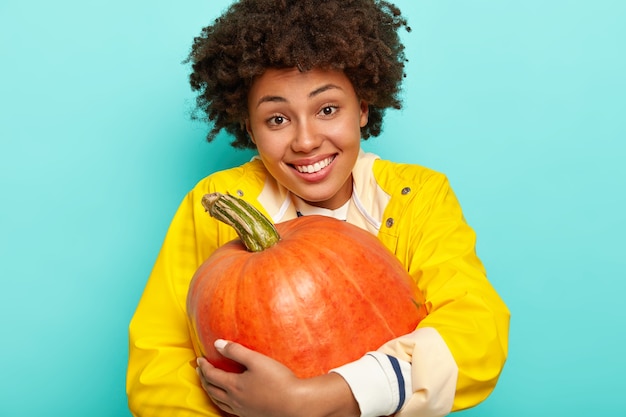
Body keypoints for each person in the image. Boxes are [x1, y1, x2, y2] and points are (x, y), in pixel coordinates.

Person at [126, 0, 510, 416]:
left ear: (362, 107)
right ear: (249, 128)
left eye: (327, 109)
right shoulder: (217, 204)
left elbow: (476, 332)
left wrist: (322, 398)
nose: (306, 141)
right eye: (277, 119)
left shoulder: (418, 196)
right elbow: (158, 362)